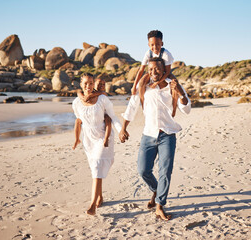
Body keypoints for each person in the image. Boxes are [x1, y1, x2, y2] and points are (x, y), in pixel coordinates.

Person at [120, 57, 191, 220]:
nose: (153, 72)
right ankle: (156, 190)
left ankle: (160, 205)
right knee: (143, 170)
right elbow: (132, 106)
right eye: (150, 69)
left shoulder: (173, 86)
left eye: (157, 69)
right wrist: (123, 127)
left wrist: (180, 92)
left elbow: (186, 108)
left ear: (164, 69)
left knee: (165, 171)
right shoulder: (144, 87)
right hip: (148, 134)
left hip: (167, 134)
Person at [72, 73, 121, 215]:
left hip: (103, 137)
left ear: (94, 84)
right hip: (88, 139)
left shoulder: (102, 99)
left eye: (91, 83)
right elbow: (78, 121)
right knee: (95, 169)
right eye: (85, 83)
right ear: (81, 84)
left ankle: (92, 204)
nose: (88, 86)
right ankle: (100, 197)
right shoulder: (76, 102)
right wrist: (76, 138)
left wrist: (120, 130)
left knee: (98, 165)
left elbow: (112, 116)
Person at [131, 30, 174, 97]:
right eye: (152, 45)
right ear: (148, 45)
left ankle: (174, 105)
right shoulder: (148, 53)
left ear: (162, 44)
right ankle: (143, 105)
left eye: (158, 44)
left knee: (175, 84)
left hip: (164, 74)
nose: (155, 47)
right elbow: (141, 70)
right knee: (141, 82)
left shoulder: (166, 54)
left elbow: (168, 72)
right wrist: (134, 86)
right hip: (152, 73)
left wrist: (156, 83)